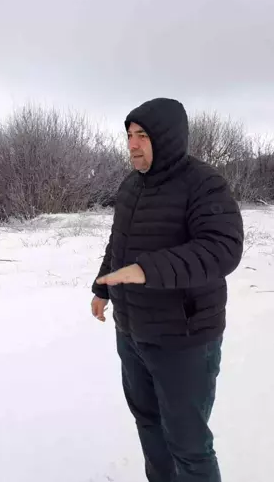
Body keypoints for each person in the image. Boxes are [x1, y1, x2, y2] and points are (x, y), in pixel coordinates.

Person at [91, 98, 244, 481]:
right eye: (129, 135)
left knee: (189, 445)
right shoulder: (130, 187)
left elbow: (222, 249)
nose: (132, 144)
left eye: (142, 135)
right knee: (148, 425)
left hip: (185, 339)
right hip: (132, 333)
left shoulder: (204, 183)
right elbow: (118, 243)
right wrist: (102, 287)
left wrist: (147, 270)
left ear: (168, 138)